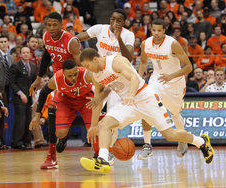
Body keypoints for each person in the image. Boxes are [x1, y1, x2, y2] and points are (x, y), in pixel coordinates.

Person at [79, 48, 214, 174]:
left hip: (144, 97)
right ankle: (102, 160)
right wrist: (93, 126)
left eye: (87, 65)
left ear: (95, 59)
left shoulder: (115, 62)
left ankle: (201, 141)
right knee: (104, 125)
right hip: (126, 102)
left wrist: (131, 95)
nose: (87, 69)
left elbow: (133, 78)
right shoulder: (96, 76)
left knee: (170, 135)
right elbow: (97, 102)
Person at [76, 8, 135, 164]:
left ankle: (109, 152)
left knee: (112, 115)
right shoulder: (99, 29)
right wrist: (69, 42)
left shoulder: (128, 35)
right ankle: (105, 152)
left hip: (120, 76)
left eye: (119, 20)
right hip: (102, 74)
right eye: (113, 19)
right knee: (103, 110)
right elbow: (77, 39)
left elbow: (129, 57)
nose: (115, 22)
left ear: (124, 22)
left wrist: (119, 38)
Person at [28, 12, 82, 169]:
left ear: (61, 25)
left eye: (54, 25)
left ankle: (98, 147)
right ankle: (51, 157)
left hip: (74, 78)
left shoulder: (71, 41)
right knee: (52, 110)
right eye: (48, 25)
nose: (51, 28)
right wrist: (39, 77)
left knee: (83, 111)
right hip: (58, 76)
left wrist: (75, 84)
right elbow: (46, 55)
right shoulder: (46, 36)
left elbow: (80, 67)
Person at [137, 18, 193, 160]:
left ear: (164, 30)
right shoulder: (146, 43)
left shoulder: (173, 44)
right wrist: (138, 78)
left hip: (175, 82)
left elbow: (188, 67)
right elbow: (143, 61)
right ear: (151, 29)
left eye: (159, 30)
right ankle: (147, 145)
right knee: (147, 104)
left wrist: (171, 76)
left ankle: (181, 138)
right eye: (153, 30)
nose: (156, 33)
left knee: (175, 114)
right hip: (156, 80)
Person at [29, 59, 101, 169]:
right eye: (69, 75)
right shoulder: (57, 79)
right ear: (63, 74)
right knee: (60, 133)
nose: (73, 78)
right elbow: (43, 93)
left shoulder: (86, 74)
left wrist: (98, 99)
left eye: (75, 74)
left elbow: (102, 87)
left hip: (86, 99)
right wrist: (37, 115)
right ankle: (65, 135)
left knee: (92, 131)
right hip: (66, 100)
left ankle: (99, 156)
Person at [10, 47, 36, 150]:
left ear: (30, 54)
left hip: (29, 98)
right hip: (19, 97)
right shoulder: (15, 66)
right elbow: (11, 83)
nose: (25, 54)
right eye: (23, 52)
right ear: (20, 54)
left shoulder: (33, 66)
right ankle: (17, 142)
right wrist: (21, 94)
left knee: (28, 121)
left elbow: (34, 82)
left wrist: (34, 95)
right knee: (20, 120)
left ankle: (26, 142)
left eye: (27, 53)